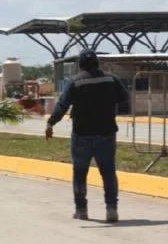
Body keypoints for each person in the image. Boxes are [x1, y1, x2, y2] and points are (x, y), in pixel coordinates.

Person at [45, 49, 130, 223]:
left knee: (80, 173)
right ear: (97, 63)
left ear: (80, 65)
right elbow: (125, 100)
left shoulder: (75, 82)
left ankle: (81, 210)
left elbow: (63, 105)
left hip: (82, 135)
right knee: (108, 173)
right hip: (106, 133)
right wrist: (109, 109)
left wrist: (51, 123)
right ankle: (111, 210)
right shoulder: (111, 79)